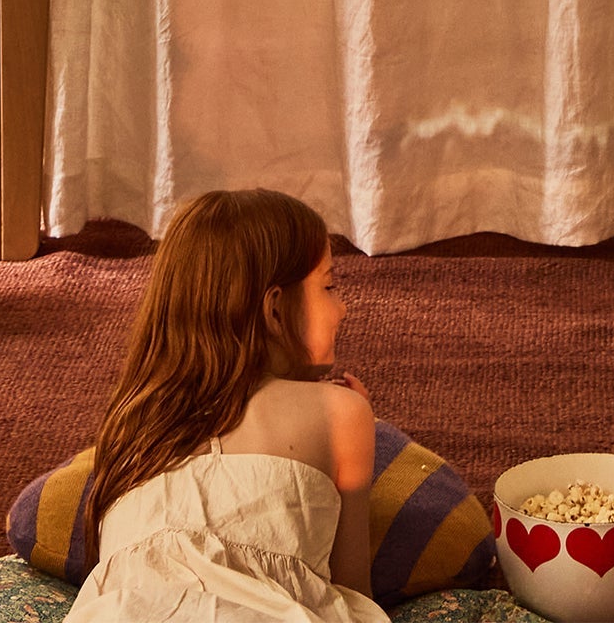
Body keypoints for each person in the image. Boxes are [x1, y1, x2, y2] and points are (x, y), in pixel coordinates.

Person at [69, 188, 386, 622]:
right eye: (329, 286)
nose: (343, 308)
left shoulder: (131, 423)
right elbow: (355, 591)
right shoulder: (341, 413)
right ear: (275, 310)